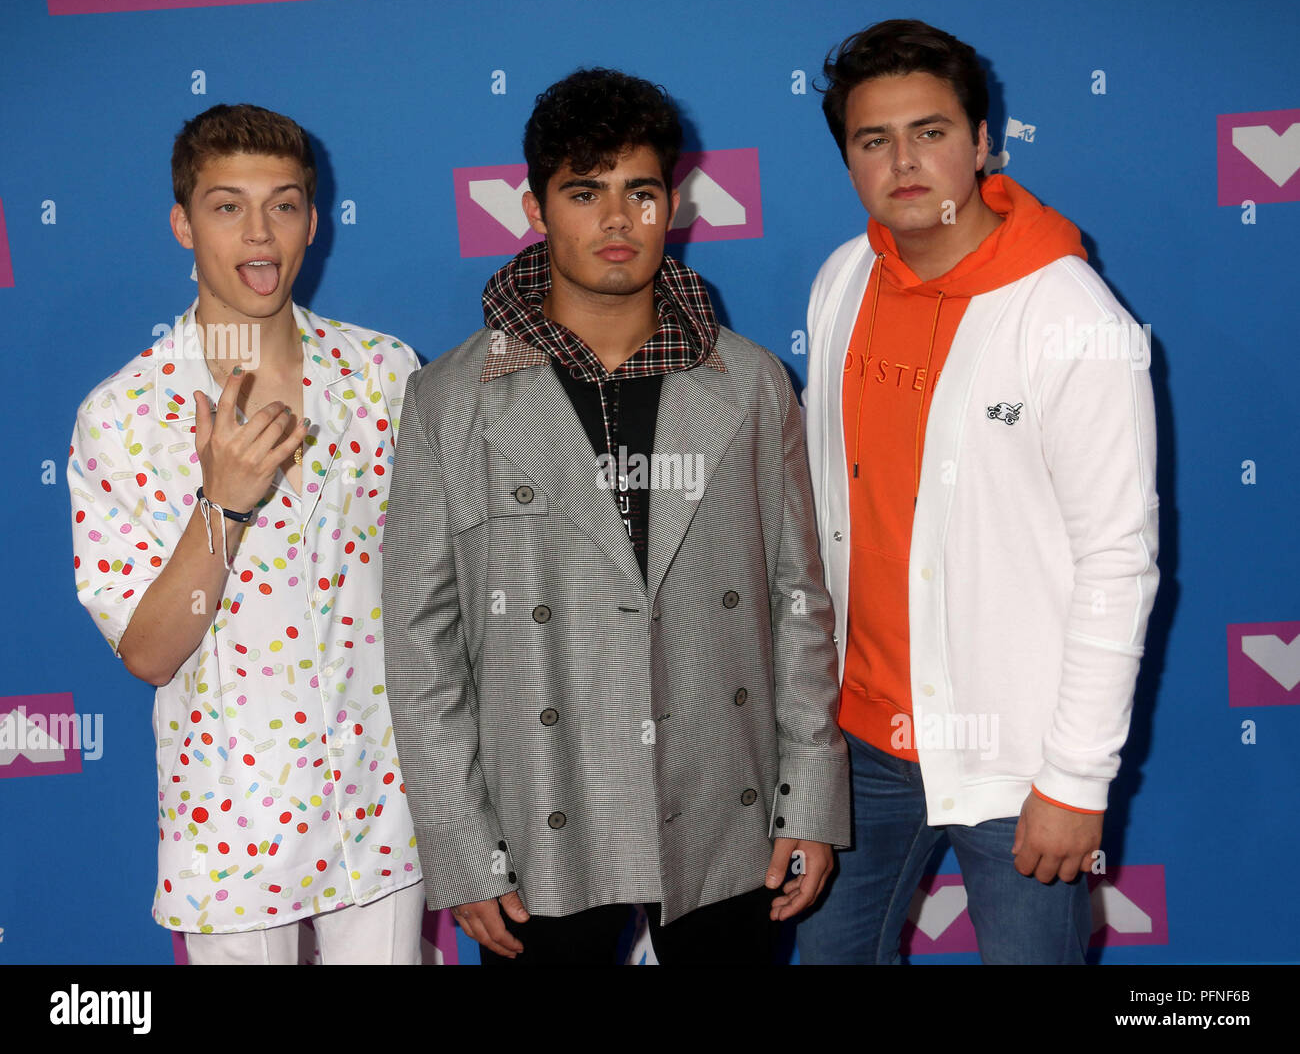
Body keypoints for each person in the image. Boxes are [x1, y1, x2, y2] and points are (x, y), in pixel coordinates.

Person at [383, 68, 849, 965]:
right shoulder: (446, 402)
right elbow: (420, 646)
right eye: (584, 192)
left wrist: (813, 800)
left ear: (672, 204)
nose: (616, 220)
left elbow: (800, 602)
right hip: (543, 816)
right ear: (535, 208)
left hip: (727, 807)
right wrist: (460, 845)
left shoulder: (750, 385)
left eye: (639, 191)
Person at [797, 19, 1159, 964]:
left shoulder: (1072, 316)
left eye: (931, 131)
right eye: (874, 140)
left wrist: (1076, 779)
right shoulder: (842, 281)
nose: (905, 161)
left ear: (984, 141)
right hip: (860, 743)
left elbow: (1117, 561)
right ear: (847, 160)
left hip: (1017, 760)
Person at [68, 104, 424, 965]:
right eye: (228, 206)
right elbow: (150, 652)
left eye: (285, 203)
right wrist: (221, 506)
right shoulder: (122, 414)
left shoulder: (385, 373)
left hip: (382, 802)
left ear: (314, 218)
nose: (260, 233)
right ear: (182, 223)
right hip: (230, 821)